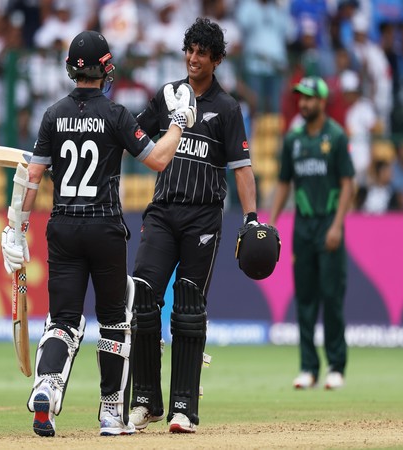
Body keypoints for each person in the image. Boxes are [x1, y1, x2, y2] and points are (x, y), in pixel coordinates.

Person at [0, 30, 195, 438]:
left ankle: (47, 388)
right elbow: (159, 160)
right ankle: (110, 413)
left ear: (71, 68)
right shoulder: (117, 114)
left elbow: (32, 175)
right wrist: (177, 124)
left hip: (63, 226)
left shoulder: (52, 114)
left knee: (63, 321)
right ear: (105, 68)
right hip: (104, 227)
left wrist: (16, 229)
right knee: (113, 322)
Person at [128, 18, 258, 433]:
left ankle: (184, 406)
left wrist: (252, 219)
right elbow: (133, 137)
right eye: (190, 50)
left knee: (187, 307)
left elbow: (242, 169)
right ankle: (145, 401)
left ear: (217, 59)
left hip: (203, 216)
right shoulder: (166, 96)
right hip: (163, 211)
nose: (194, 58)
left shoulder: (228, 108)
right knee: (144, 296)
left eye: (203, 52)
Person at [269, 76, 355, 390]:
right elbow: (283, 183)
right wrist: (272, 220)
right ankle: (308, 368)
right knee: (305, 299)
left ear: (322, 101)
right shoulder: (293, 141)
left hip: (329, 225)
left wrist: (337, 226)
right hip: (302, 228)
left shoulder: (336, 136)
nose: (303, 103)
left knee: (331, 298)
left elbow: (348, 184)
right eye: (300, 98)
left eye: (309, 98)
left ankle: (336, 367)